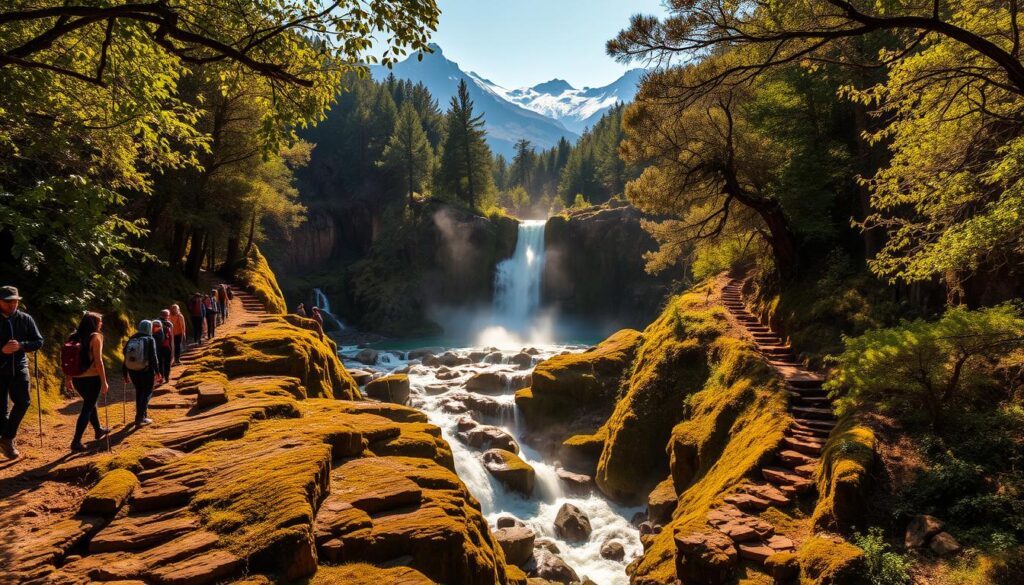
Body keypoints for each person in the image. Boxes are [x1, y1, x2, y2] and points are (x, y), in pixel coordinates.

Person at [0, 286, 44, 460]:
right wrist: (1, 350)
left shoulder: (25, 319)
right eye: (8, 301)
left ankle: (7, 438)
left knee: (24, 402)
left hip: (19, 366)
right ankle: (6, 442)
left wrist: (21, 345)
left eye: (15, 301)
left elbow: (39, 341)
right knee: (1, 409)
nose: (12, 304)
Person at [67, 312, 110, 452]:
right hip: (92, 378)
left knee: (90, 403)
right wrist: (104, 381)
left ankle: (98, 430)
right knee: (87, 407)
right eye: (100, 321)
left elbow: (69, 360)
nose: (101, 324)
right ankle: (76, 441)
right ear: (94, 323)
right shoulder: (96, 337)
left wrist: (68, 379)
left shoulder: (73, 336)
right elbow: (99, 361)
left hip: (77, 378)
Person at [122, 320, 161, 427]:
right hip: (146, 370)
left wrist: (125, 374)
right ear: (149, 328)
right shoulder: (149, 339)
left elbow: (125, 358)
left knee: (139, 391)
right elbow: (153, 358)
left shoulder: (131, 339)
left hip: (132, 370)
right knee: (147, 391)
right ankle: (139, 418)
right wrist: (158, 372)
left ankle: (141, 415)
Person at [153, 313, 174, 383]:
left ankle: (161, 377)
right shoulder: (168, 327)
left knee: (160, 363)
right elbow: (171, 339)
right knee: (167, 363)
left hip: (158, 348)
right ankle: (167, 377)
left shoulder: (154, 328)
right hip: (166, 347)